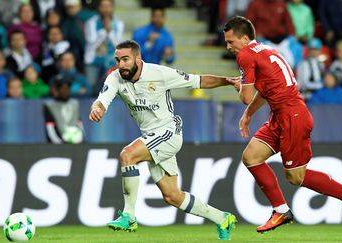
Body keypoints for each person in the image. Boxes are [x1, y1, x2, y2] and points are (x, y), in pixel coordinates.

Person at [222, 16, 342, 233]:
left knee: (295, 177)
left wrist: (239, 85)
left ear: (244, 38)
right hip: (281, 115)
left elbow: (245, 95)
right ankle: (280, 210)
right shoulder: (267, 50)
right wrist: (248, 114)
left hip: (292, 117)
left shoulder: (245, 55)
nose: (228, 46)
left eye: (231, 42)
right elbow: (264, 90)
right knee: (251, 157)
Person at [89, 40, 237, 240]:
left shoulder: (159, 74)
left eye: (125, 59)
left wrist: (228, 81)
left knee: (128, 155)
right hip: (150, 137)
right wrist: (97, 108)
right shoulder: (115, 78)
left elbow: (198, 81)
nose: (121, 64)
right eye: (118, 60)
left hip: (168, 132)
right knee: (172, 196)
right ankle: (222, 218)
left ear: (137, 59)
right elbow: (102, 99)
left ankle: (129, 216)